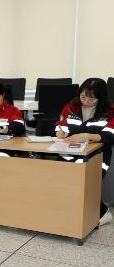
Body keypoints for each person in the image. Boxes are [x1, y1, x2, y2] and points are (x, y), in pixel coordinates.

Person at [54, 77, 114, 226]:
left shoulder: (110, 111)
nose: (86, 101)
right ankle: (69, 212)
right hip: (70, 152)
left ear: (100, 98)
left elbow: (110, 135)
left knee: (86, 183)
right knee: (60, 180)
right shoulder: (70, 107)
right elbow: (61, 123)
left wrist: (88, 136)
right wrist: (59, 132)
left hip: (97, 155)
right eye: (83, 96)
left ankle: (103, 212)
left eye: (91, 98)